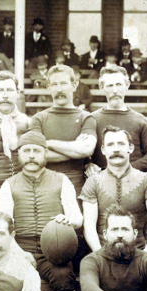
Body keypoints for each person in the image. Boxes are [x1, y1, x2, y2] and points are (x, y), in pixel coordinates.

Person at [0, 131, 83, 291]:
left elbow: (77, 217)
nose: (32, 156)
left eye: (37, 151)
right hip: (20, 247)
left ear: (45, 153)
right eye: (27, 151)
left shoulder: (61, 180)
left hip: (53, 249)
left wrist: (67, 221)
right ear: (19, 155)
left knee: (65, 276)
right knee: (8, 279)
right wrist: (18, 253)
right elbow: (4, 226)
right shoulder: (9, 185)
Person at [80, 127, 147, 257]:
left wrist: (144, 257)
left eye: (121, 144)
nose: (116, 149)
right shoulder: (93, 182)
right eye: (110, 144)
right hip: (103, 255)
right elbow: (89, 227)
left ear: (130, 148)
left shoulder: (146, 180)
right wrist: (100, 257)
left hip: (138, 255)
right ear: (103, 150)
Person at [29, 64, 98, 194]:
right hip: (45, 189)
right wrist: (76, 150)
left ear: (74, 85)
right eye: (54, 84)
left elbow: (87, 149)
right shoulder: (38, 118)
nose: (59, 89)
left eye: (64, 83)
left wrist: (48, 143)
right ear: (48, 87)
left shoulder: (86, 117)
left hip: (78, 188)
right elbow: (35, 156)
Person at [88, 65, 147, 173]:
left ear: (127, 85)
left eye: (119, 84)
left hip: (133, 180)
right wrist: (87, 164)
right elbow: (83, 153)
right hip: (101, 181)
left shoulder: (140, 120)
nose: (115, 90)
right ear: (102, 88)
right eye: (110, 85)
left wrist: (126, 169)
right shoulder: (92, 119)